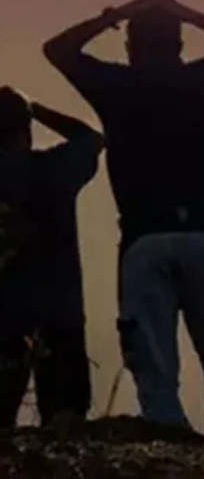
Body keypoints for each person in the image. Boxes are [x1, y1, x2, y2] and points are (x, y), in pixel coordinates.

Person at [43, 0, 204, 446]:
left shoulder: (116, 86)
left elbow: (57, 50)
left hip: (144, 241)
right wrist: (189, 10)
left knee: (156, 378)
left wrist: (117, 12)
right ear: (180, 44)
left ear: (131, 47)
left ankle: (172, 457)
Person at [0, 88, 102, 430]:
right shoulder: (55, 169)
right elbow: (90, 138)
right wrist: (35, 107)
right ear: (24, 131)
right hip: (60, 313)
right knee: (64, 421)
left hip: (5, 315)